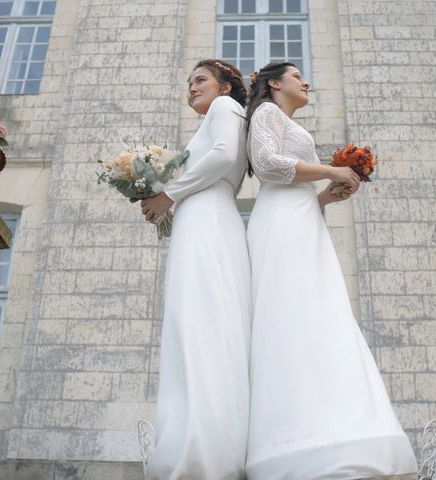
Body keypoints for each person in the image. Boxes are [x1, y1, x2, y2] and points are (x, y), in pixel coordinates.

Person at [245, 62, 418, 479]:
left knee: (315, 318)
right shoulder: (267, 113)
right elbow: (266, 164)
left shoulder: (284, 120)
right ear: (274, 83)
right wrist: (331, 169)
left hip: (302, 217)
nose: (306, 81)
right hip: (283, 221)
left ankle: (322, 431)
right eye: (296, 76)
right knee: (295, 316)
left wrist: (324, 197)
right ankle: (291, 443)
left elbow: (292, 183)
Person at [140, 59, 251, 479]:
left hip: (208, 219)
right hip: (204, 218)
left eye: (200, 80)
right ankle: (204, 441)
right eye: (188, 83)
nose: (191, 88)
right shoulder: (220, 115)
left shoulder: (225, 110)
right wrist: (165, 209)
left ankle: (201, 452)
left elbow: (222, 157)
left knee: (200, 325)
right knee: (199, 324)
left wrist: (169, 194)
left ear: (225, 87)